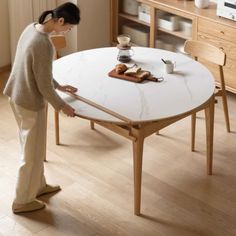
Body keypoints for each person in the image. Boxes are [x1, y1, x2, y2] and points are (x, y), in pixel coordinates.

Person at [3, 2, 80, 214]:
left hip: (17, 95)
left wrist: (59, 86)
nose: (67, 31)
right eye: (69, 28)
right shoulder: (44, 44)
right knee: (31, 153)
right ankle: (22, 200)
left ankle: (36, 186)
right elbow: (42, 85)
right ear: (61, 21)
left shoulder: (32, 27)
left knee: (33, 149)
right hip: (29, 101)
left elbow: (38, 72)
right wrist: (62, 106)